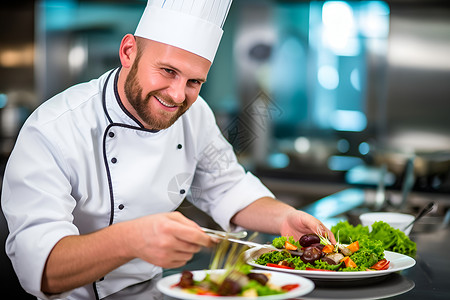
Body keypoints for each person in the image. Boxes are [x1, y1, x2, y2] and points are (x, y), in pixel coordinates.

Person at [1, 1, 335, 299]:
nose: (177, 96)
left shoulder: (196, 114)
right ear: (129, 51)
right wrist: (133, 239)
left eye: (194, 82)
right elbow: (40, 269)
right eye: (168, 71)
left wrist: (284, 218)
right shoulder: (52, 130)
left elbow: (227, 186)